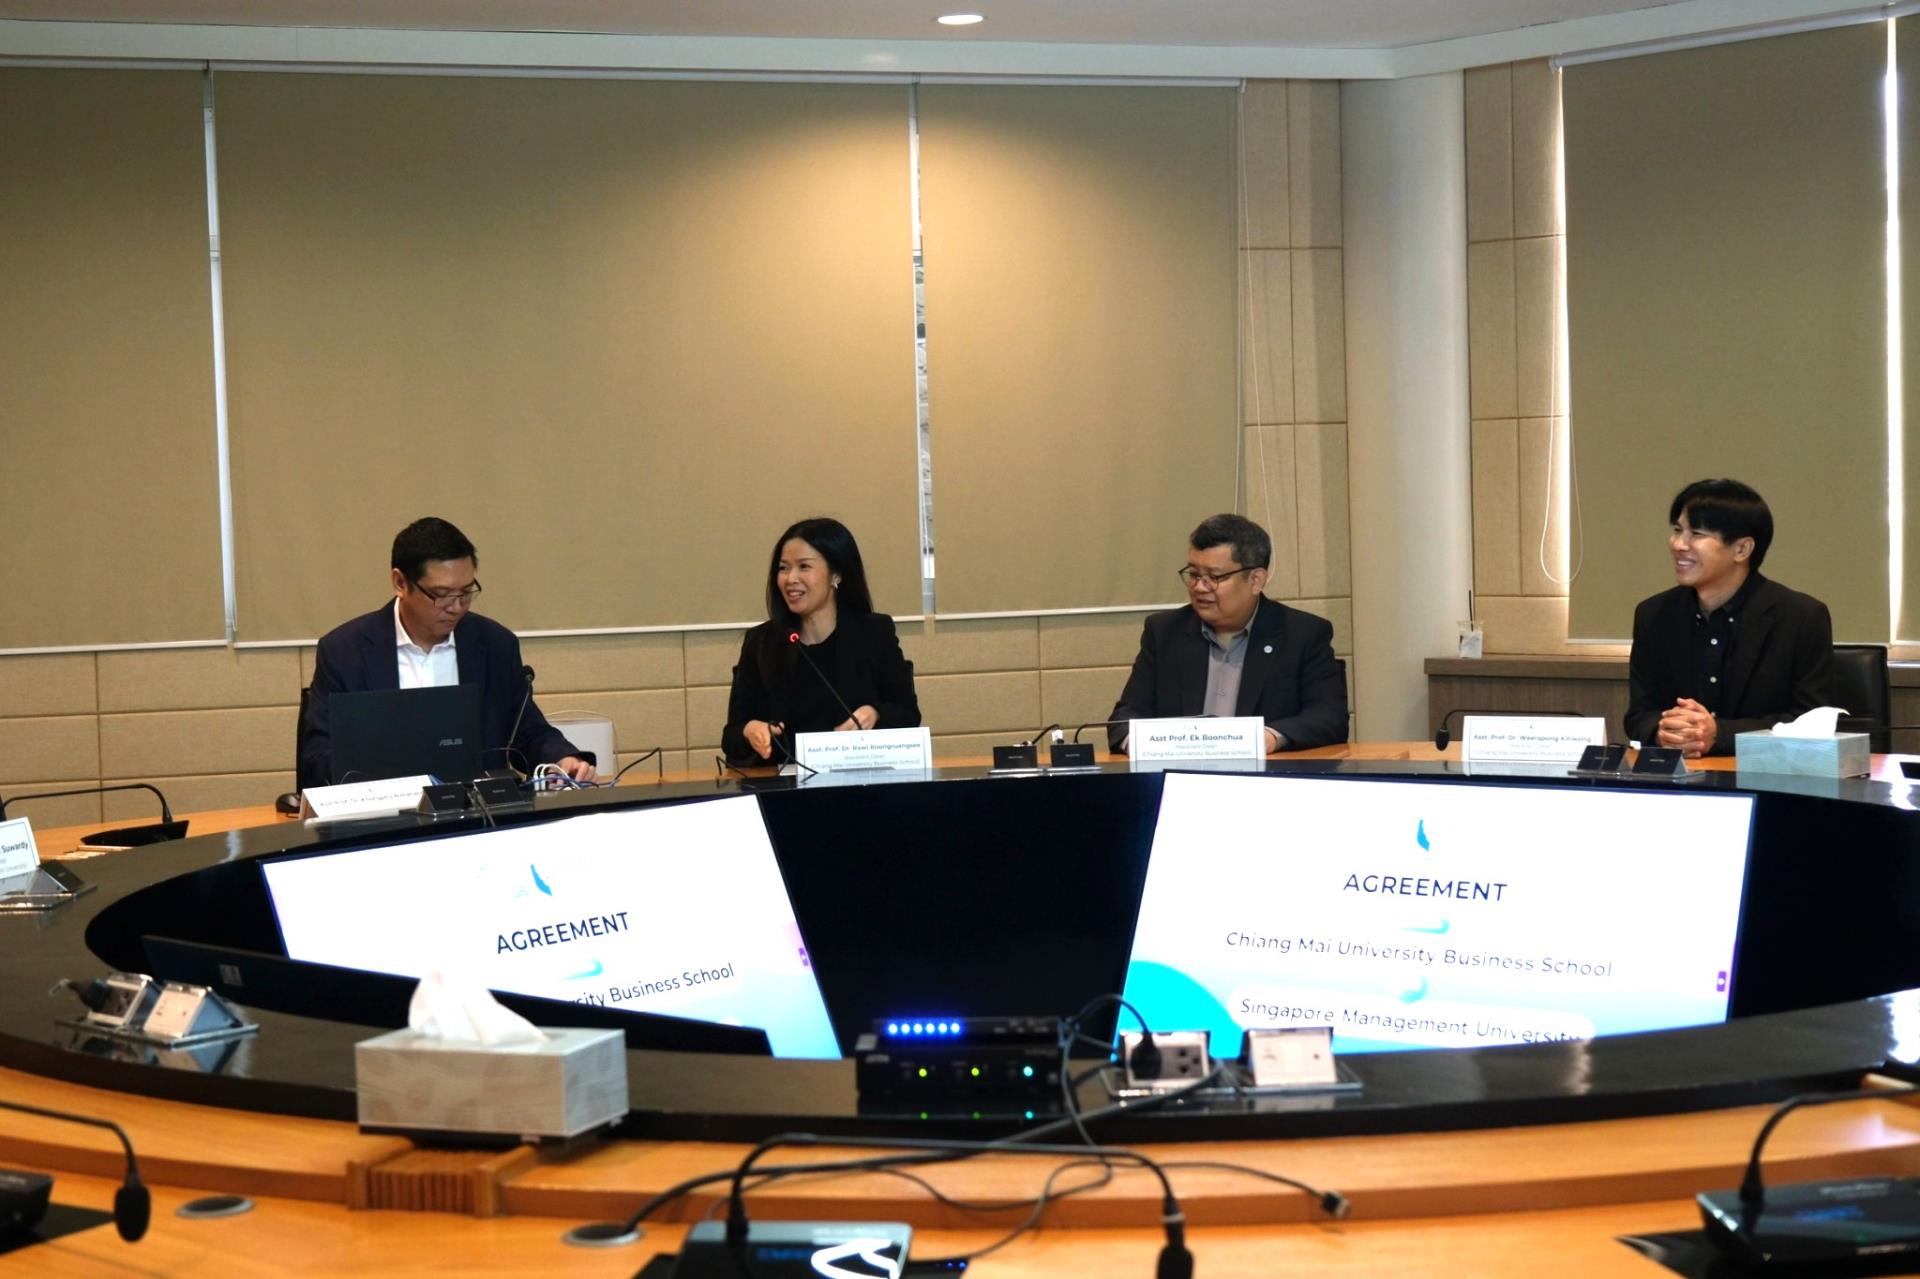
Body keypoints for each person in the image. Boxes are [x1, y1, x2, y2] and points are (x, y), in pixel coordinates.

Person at [297, 517, 596, 789]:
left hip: (478, 815)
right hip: (384, 816)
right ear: (400, 582)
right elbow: (319, 756)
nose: (456, 607)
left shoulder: (495, 644)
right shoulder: (345, 652)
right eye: (441, 595)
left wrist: (562, 759)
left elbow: (526, 730)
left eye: (466, 592)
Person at [1625, 479, 1833, 758]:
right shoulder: (1654, 615)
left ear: (1741, 550)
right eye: (1677, 530)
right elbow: (1639, 715)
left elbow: (1811, 723)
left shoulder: (1801, 617)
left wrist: (1720, 735)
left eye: (1696, 533)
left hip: (1767, 774)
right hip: (1679, 774)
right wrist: (1663, 731)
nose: (1678, 544)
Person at [1108, 513, 1348, 753]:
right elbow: (1126, 716)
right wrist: (1140, 744)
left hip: (1264, 773)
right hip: (1181, 771)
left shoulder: (1302, 634)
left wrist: (1270, 738)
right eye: (1194, 575)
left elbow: (1329, 716)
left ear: (1255, 580)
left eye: (1214, 577)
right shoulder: (1164, 632)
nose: (1199, 587)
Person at [722, 517, 919, 764]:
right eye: (783, 568)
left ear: (836, 574)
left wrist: (875, 713)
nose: (790, 578)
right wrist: (749, 730)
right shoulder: (761, 642)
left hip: (855, 779)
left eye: (804, 566)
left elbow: (908, 715)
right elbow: (731, 735)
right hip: (783, 782)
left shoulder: (874, 633)